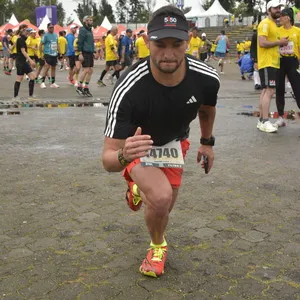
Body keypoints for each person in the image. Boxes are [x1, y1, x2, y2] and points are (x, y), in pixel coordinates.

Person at [102, 5, 220, 278]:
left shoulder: (206, 78)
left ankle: (136, 187)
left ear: (188, 41)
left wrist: (207, 143)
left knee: (163, 206)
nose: (168, 54)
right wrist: (124, 157)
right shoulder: (128, 87)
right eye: (159, 44)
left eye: (177, 44)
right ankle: (158, 246)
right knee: (161, 197)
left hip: (175, 144)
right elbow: (107, 159)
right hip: (137, 148)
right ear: (146, 42)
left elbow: (206, 109)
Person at [257, 0, 288, 133]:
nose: (278, 10)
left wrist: (280, 43)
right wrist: (278, 42)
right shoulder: (265, 24)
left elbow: (271, 42)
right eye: (275, 8)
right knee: (269, 91)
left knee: (266, 91)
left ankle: (261, 120)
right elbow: (262, 43)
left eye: (279, 7)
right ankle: (264, 120)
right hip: (267, 62)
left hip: (273, 62)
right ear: (269, 10)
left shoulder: (274, 25)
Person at [275, 8, 300, 127]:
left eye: (282, 16)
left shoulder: (297, 31)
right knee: (279, 89)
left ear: (288, 18)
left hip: (293, 61)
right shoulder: (277, 31)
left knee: (297, 88)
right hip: (280, 61)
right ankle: (280, 117)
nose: (279, 18)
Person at [13, 24, 36, 100]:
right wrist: (31, 60)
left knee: (32, 77)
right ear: (22, 30)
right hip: (20, 62)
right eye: (27, 31)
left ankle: (30, 96)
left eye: (28, 31)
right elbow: (23, 51)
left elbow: (21, 47)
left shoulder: (22, 39)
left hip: (23, 62)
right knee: (19, 78)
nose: (28, 33)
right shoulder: (20, 39)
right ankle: (15, 97)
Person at [76, 16, 94, 97]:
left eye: (92, 20)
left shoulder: (90, 30)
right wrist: (80, 53)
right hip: (84, 52)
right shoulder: (83, 30)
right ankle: (79, 87)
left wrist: (94, 51)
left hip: (90, 52)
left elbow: (90, 42)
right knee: (86, 69)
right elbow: (80, 42)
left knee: (90, 71)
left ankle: (86, 88)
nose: (92, 21)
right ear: (86, 21)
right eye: (90, 20)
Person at [40, 23, 59, 89]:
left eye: (52, 27)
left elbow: (57, 44)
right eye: (50, 27)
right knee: (47, 67)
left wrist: (59, 52)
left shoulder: (55, 35)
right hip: (47, 53)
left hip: (54, 54)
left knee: (53, 68)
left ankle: (53, 83)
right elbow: (41, 44)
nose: (52, 28)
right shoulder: (45, 35)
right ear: (47, 28)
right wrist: (41, 54)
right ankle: (42, 82)